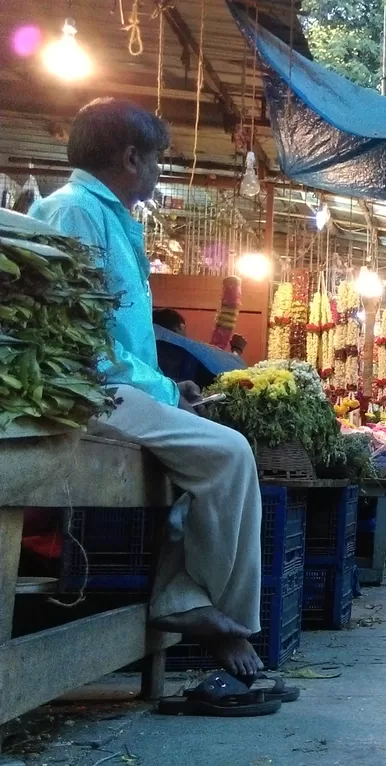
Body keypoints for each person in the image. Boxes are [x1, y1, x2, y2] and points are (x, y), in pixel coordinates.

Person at [29, 98, 264, 677]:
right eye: (159, 160)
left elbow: (117, 334)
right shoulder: (73, 213)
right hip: (85, 392)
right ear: (131, 157)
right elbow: (78, 341)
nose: (161, 172)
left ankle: (199, 608)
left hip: (117, 388)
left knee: (217, 454)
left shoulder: (106, 216)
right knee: (228, 454)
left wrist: (166, 387)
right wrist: (155, 391)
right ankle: (198, 612)